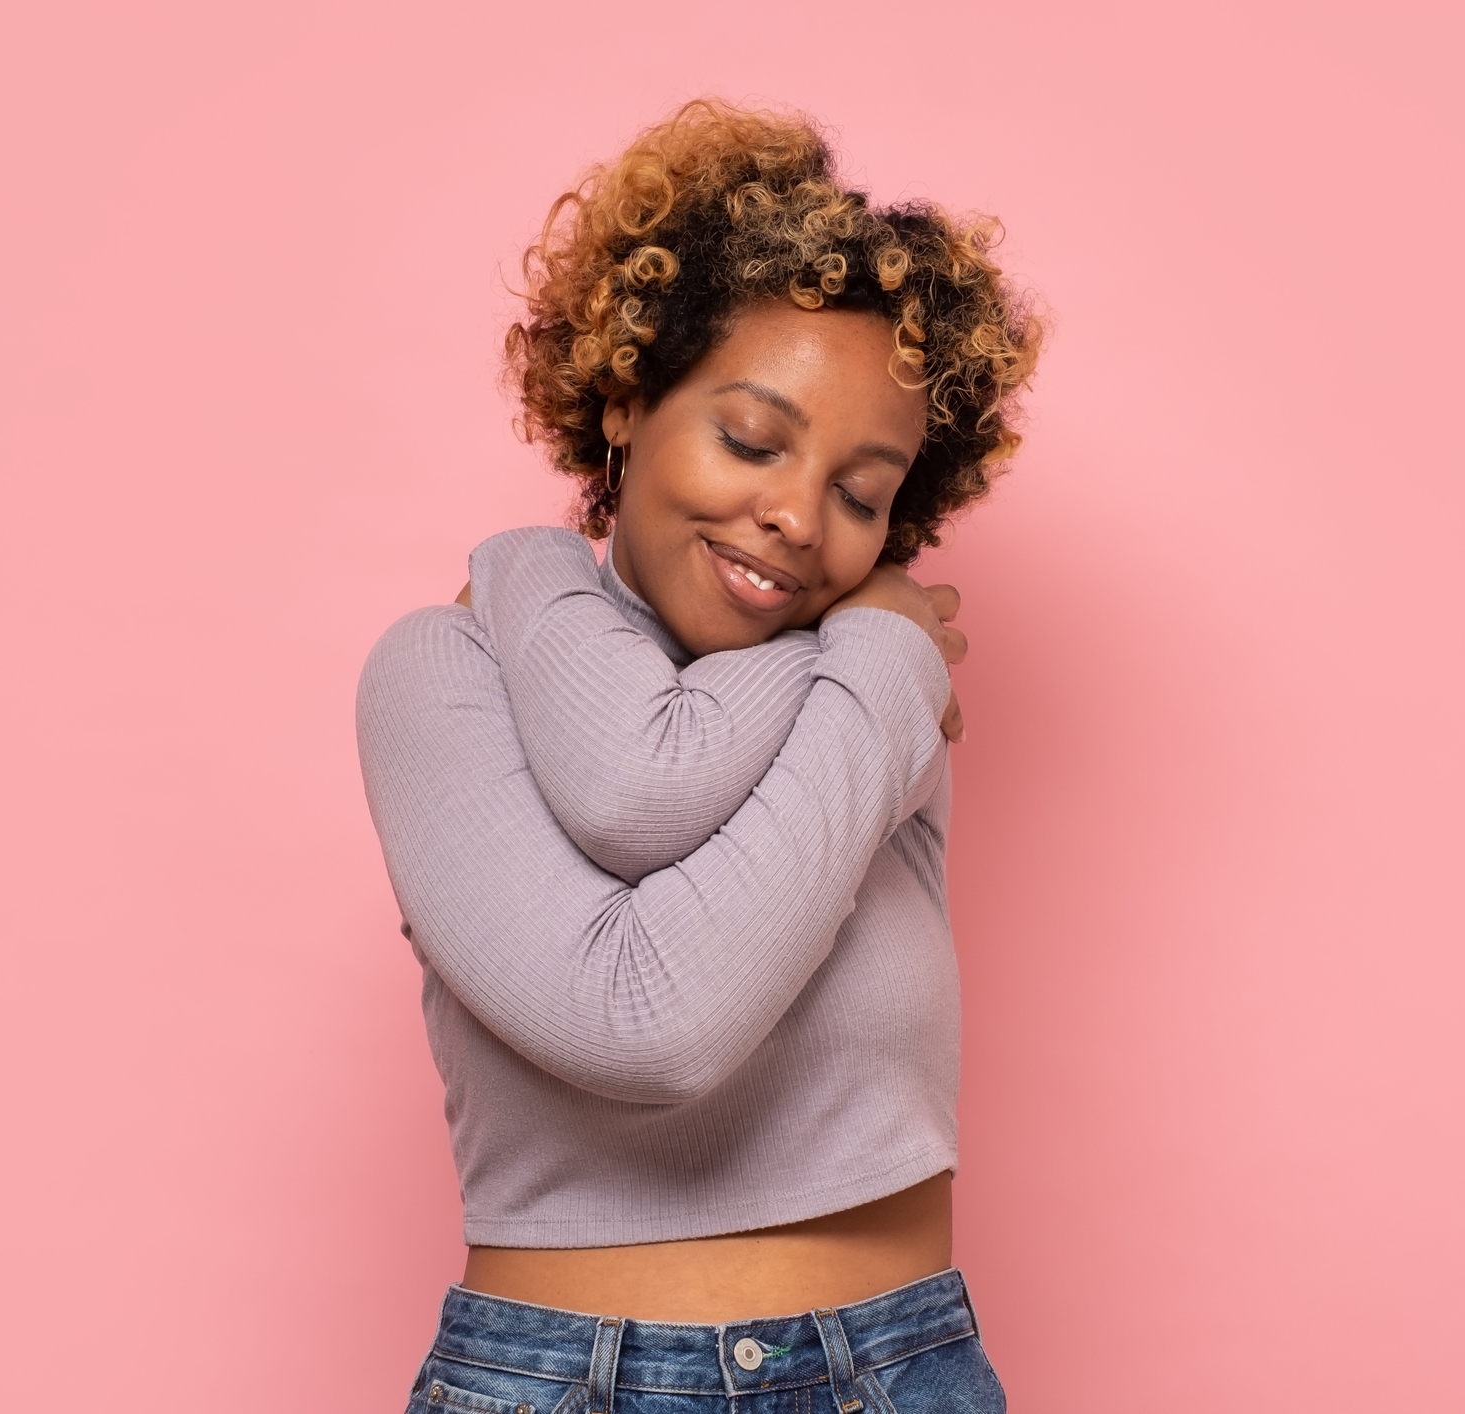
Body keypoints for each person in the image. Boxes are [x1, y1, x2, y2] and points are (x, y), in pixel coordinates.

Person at [357, 99, 1041, 1413]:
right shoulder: (441, 674)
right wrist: (530, 565)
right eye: (750, 436)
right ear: (625, 397)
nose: (794, 516)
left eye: (860, 492)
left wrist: (879, 665)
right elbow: (653, 1019)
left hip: (895, 1372)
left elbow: (651, 776)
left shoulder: (879, 685)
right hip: (562, 1383)